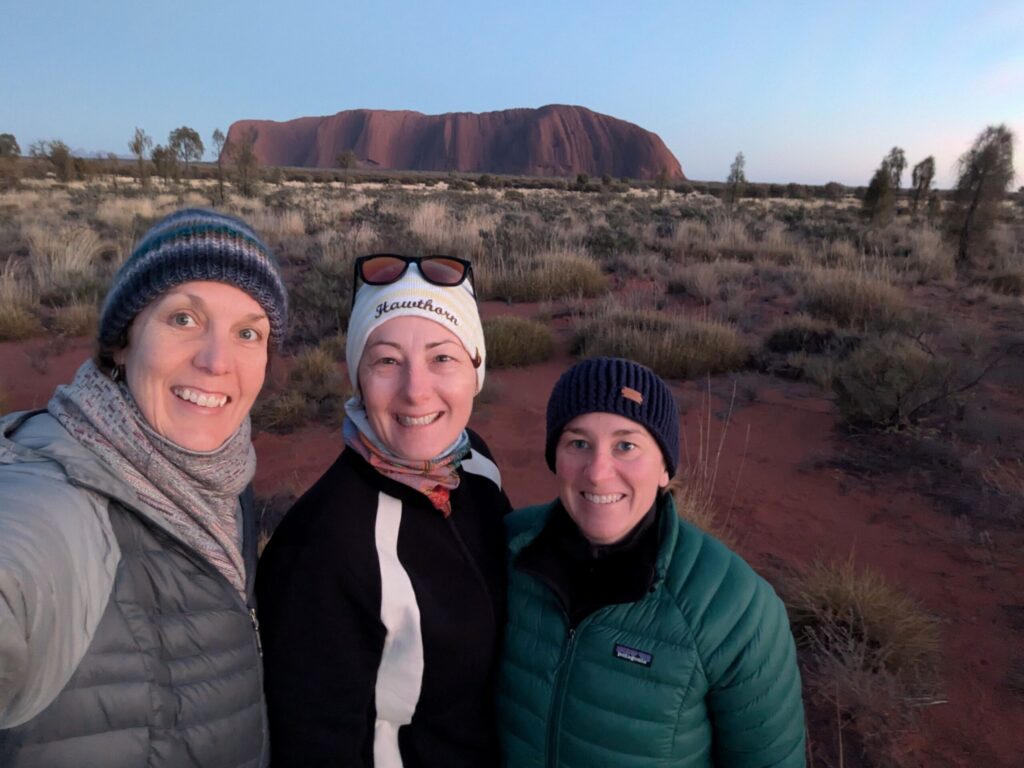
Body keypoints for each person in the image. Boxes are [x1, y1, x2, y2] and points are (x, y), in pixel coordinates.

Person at [0, 208, 288, 767]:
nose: (216, 361)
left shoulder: (222, 482)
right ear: (123, 342)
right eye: (183, 319)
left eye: (248, 332)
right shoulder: (52, 500)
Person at [256, 254, 511, 767]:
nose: (416, 391)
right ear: (358, 377)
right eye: (387, 361)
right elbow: (314, 748)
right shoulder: (321, 550)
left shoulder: (473, 463)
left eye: (443, 358)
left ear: (475, 369)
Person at [497, 357, 806, 767]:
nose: (598, 472)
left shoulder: (734, 607)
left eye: (626, 445)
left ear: (665, 467)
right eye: (578, 443)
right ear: (556, 456)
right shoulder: (508, 550)